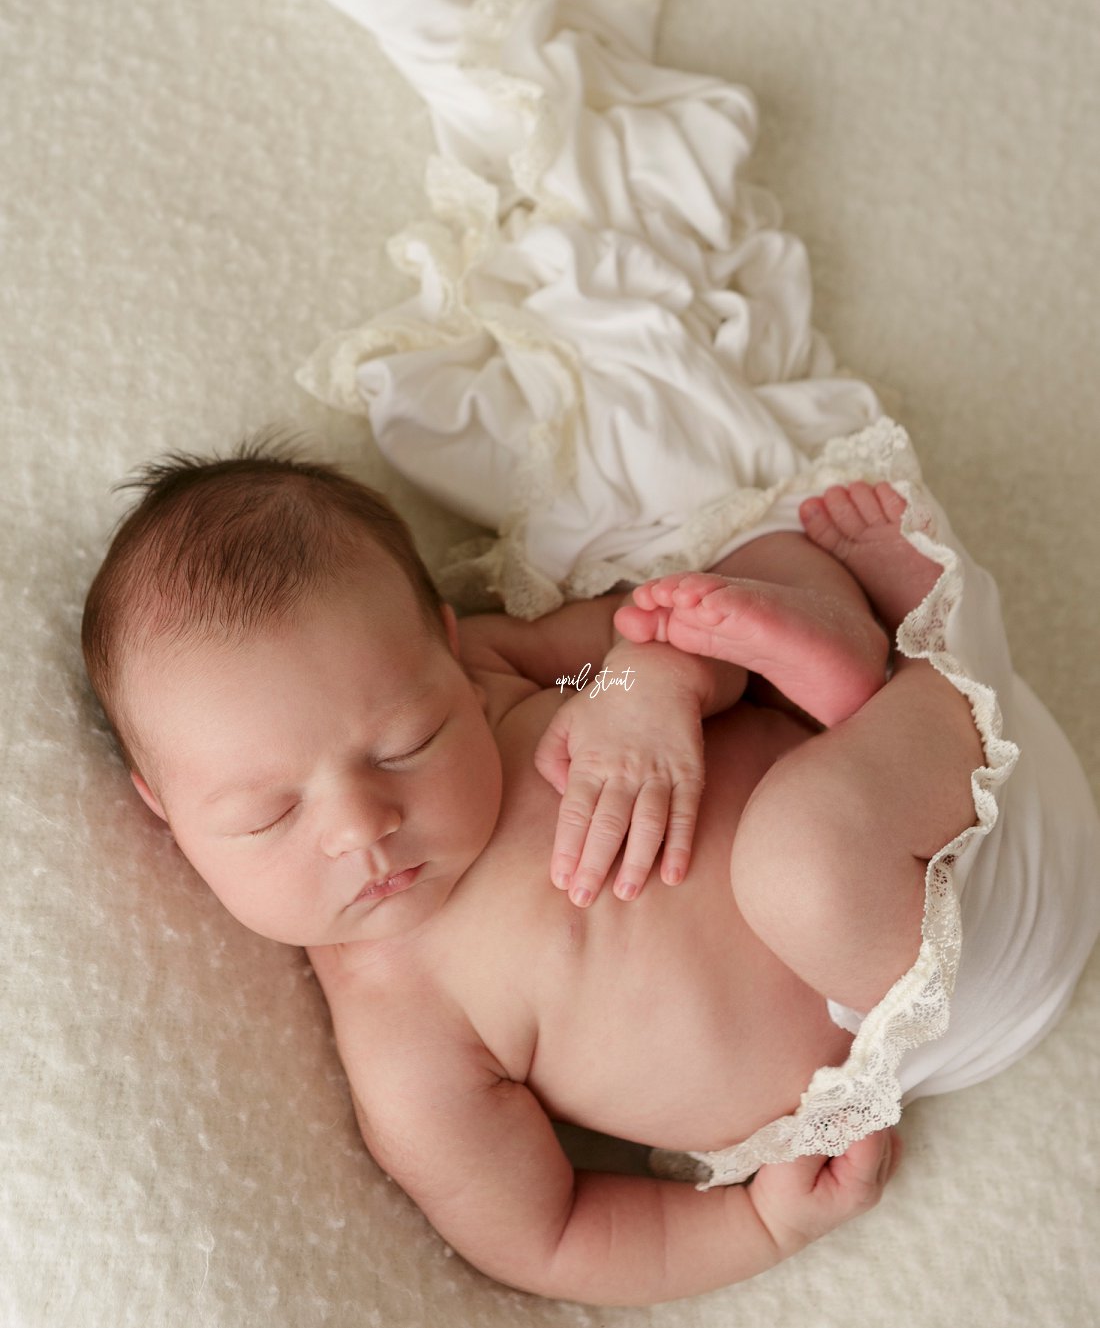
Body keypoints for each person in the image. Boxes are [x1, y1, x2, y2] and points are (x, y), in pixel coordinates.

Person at [81, 440, 987, 1306]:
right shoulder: (405, 1040)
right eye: (269, 814)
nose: (364, 825)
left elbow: (635, 627)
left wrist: (645, 686)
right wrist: (759, 1223)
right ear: (163, 808)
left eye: (407, 743)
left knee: (738, 575)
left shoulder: (494, 667)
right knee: (800, 862)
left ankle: (880, 646)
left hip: (926, 815)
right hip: (905, 1001)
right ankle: (879, 649)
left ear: (444, 645)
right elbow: (550, 1235)